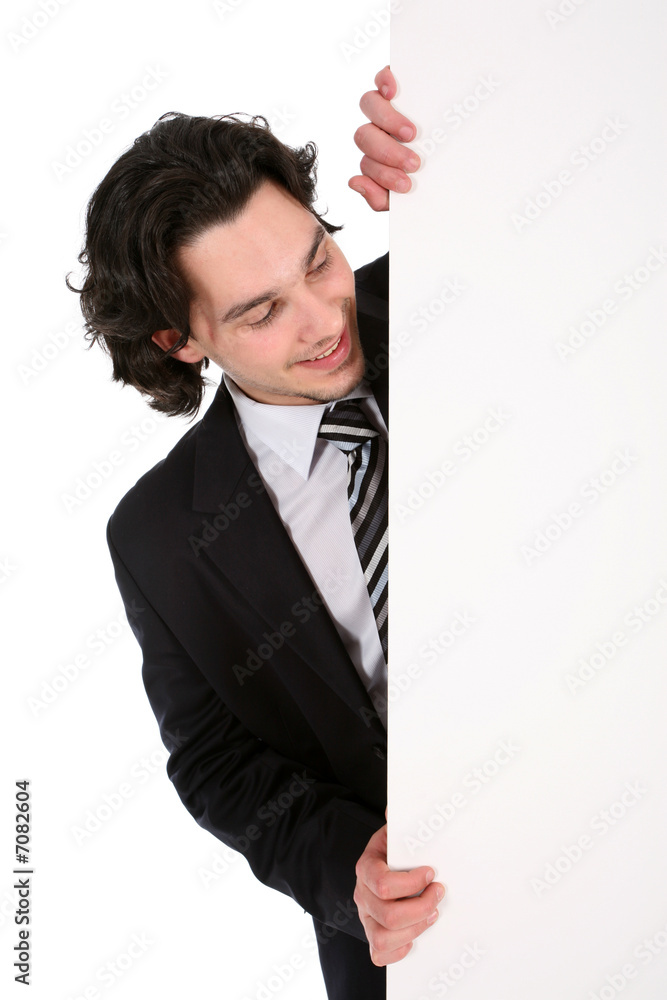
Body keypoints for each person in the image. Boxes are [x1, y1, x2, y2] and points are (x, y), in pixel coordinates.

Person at [70, 65, 442, 1000]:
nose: (323, 320)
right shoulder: (157, 535)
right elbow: (216, 763)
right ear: (179, 340)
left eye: (317, 260)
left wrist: (463, 140)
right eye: (261, 311)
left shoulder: (454, 284)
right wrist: (349, 868)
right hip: (418, 935)